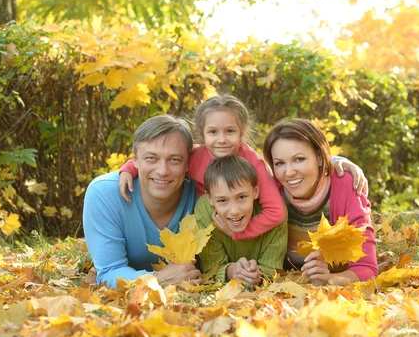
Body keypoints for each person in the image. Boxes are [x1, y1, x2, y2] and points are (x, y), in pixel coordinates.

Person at [117, 94, 368, 239]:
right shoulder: (195, 156)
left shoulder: (253, 163)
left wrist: (240, 233)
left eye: (230, 131)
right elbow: (164, 159)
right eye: (213, 132)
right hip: (210, 224)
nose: (222, 139)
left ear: (242, 133)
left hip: (245, 225)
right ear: (201, 134)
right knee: (203, 206)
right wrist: (129, 168)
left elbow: (277, 212)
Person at [83, 115, 202, 288]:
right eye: (151, 158)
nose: (162, 171)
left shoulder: (203, 194)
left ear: (188, 164)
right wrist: (158, 279)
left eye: (174, 160)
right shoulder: (104, 194)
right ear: (135, 160)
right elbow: (109, 272)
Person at [263, 118, 378, 285]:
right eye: (279, 163)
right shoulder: (271, 190)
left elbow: (368, 268)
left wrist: (331, 279)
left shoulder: (346, 186)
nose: (289, 172)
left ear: (319, 157)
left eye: (299, 159)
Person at [195, 155, 287, 285]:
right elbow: (211, 270)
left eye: (242, 197)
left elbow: (273, 268)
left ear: (256, 191)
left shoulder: (273, 212)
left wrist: (257, 274)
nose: (234, 211)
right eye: (222, 201)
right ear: (210, 198)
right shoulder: (204, 211)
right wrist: (231, 271)